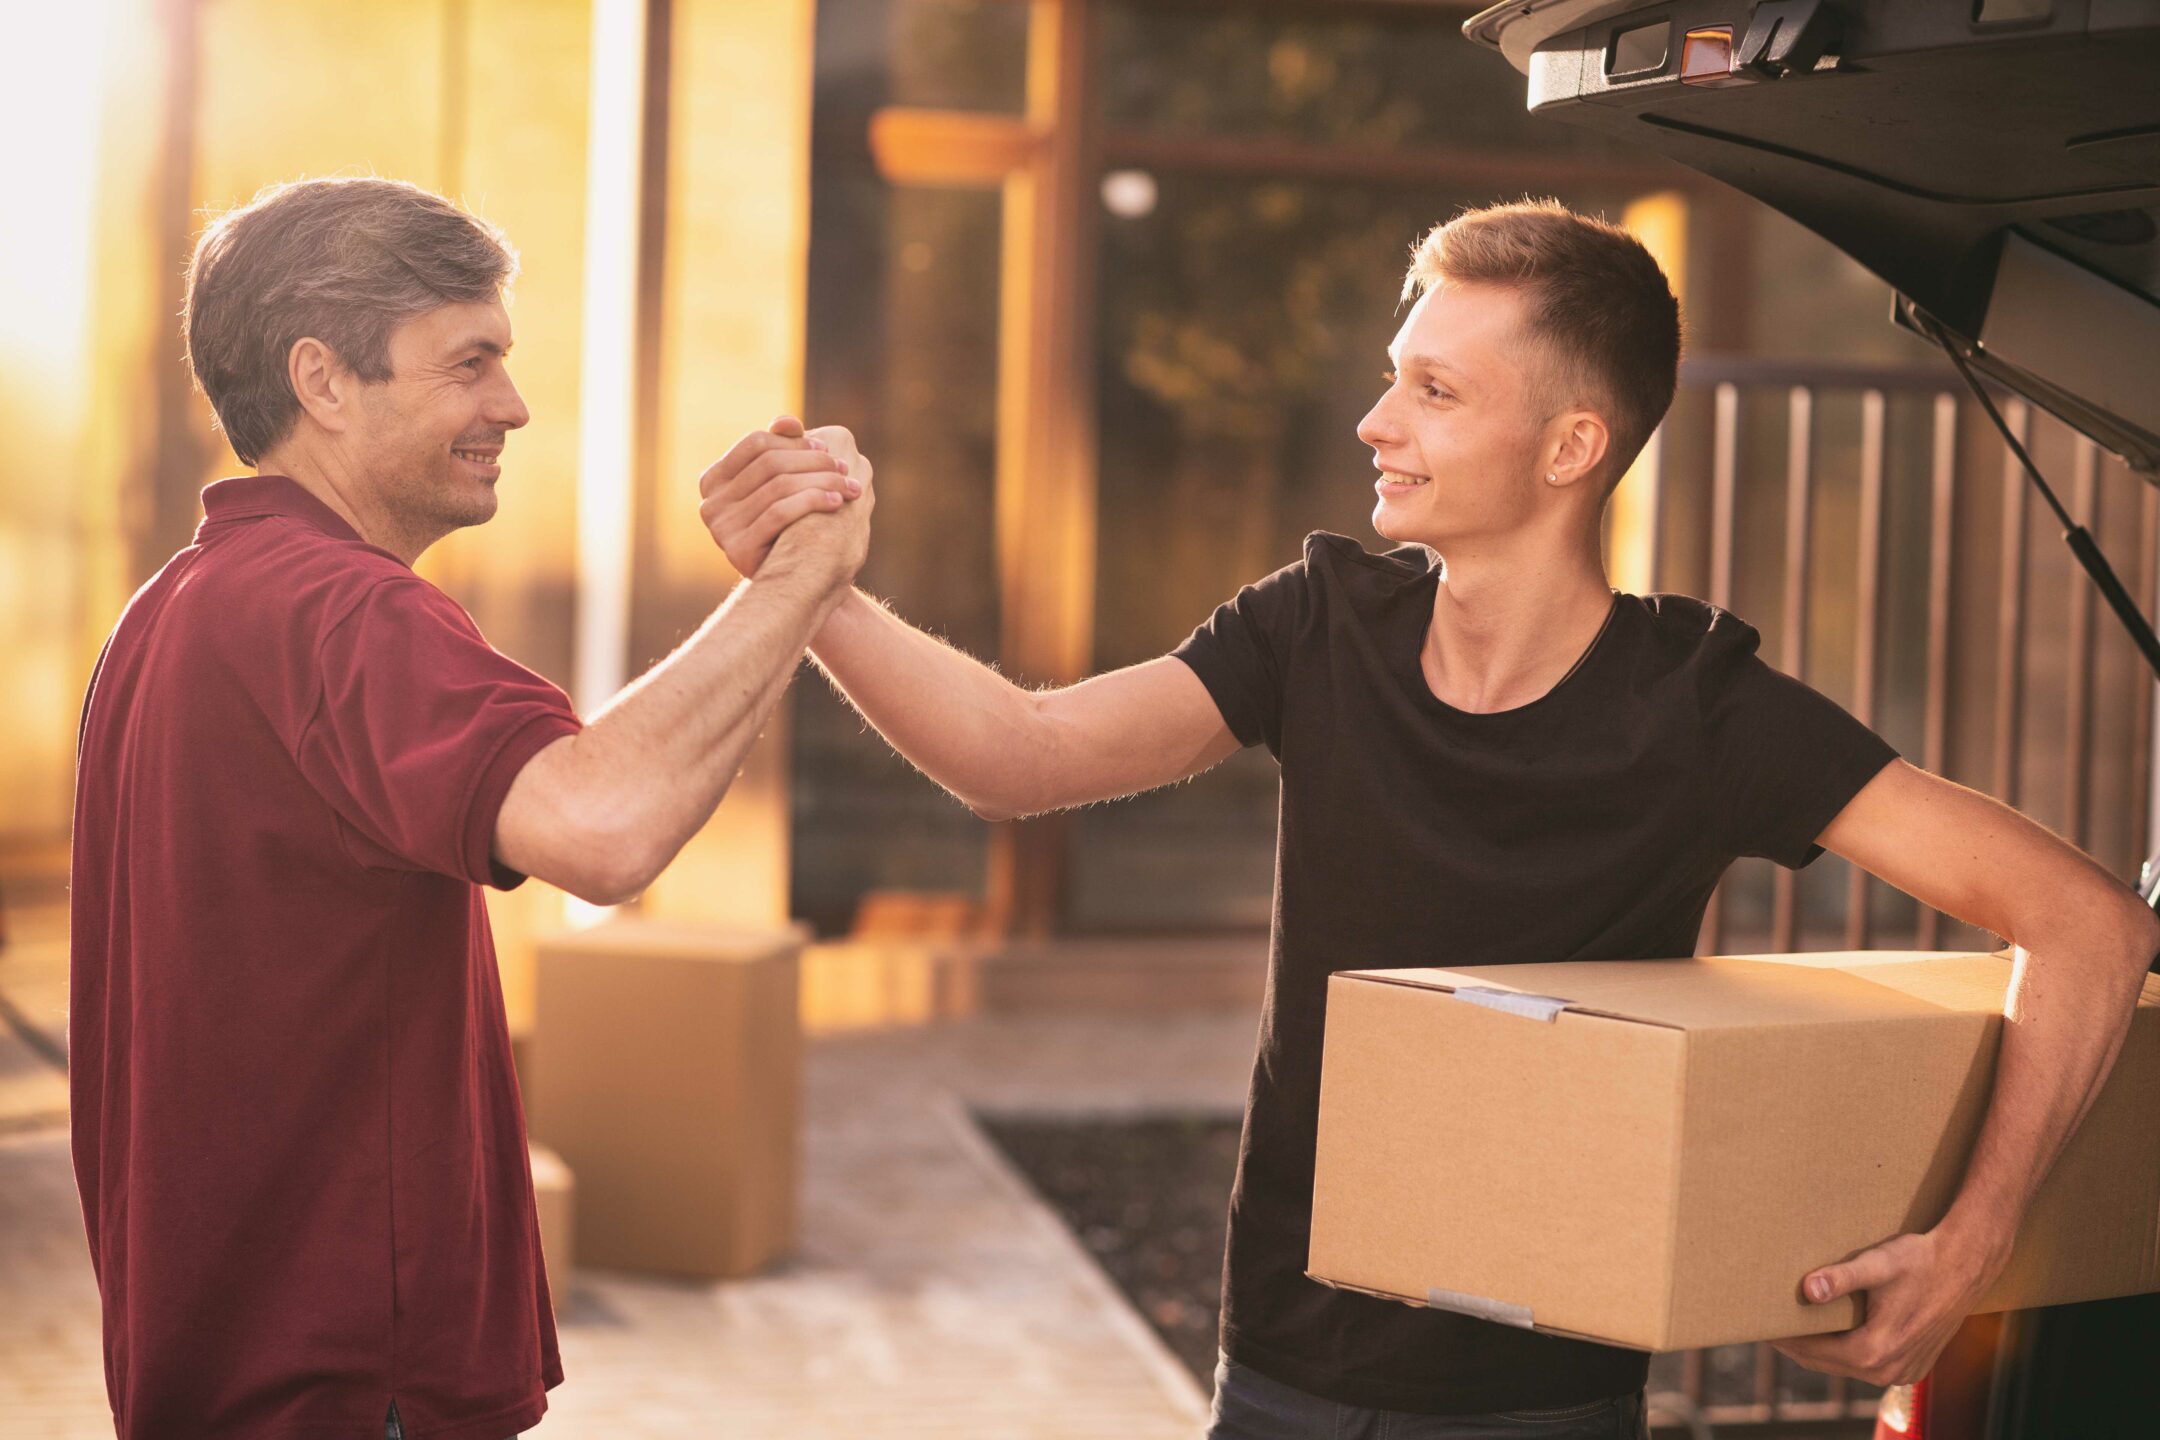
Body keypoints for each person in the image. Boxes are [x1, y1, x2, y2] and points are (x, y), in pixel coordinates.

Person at [700, 198, 2160, 1439]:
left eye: (1436, 392)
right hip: (1278, 1375)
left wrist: (1968, 1248)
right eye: (1394, 378)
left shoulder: (1703, 709)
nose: (1376, 421)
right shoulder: (1318, 624)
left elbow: (2090, 926)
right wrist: (813, 588)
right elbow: (1019, 756)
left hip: (1543, 1404)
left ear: (1570, 447)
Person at [68, 176, 871, 1440]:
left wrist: (793, 595)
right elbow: (603, 828)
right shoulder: (346, 612)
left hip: (218, 1367)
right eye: (469, 362)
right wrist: (801, 578)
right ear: (323, 381)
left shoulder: (168, 611)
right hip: (350, 1389)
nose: (514, 404)